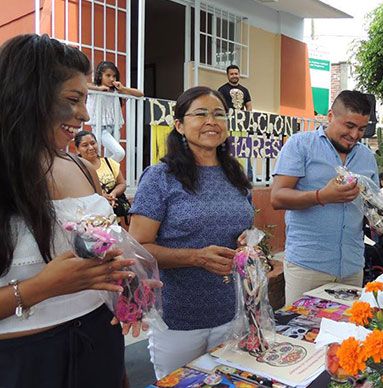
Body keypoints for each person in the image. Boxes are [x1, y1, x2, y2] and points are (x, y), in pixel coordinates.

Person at [0, 34, 140, 387]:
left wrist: (129, 281)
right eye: (73, 99)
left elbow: (105, 253)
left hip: (100, 341)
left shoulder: (82, 168)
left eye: (86, 99)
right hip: (25, 362)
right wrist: (38, 289)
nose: (85, 114)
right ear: (28, 96)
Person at [128, 86, 253, 379]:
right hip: (178, 317)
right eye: (201, 114)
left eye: (219, 114)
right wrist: (196, 257)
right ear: (180, 125)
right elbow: (137, 247)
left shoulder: (236, 173)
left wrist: (249, 239)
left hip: (232, 311)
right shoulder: (160, 177)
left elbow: (246, 224)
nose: (212, 121)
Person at [271, 90, 378, 305]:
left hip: (352, 265)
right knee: (302, 335)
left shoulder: (367, 157)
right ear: (330, 116)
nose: (355, 135)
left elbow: (370, 203)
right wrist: (322, 196)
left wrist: (378, 216)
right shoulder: (300, 145)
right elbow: (277, 197)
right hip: (308, 266)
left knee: (346, 334)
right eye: (349, 126)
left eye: (362, 129)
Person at [86, 61, 143, 162]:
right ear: (100, 76)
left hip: (115, 127)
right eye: (108, 75)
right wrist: (98, 88)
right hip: (100, 128)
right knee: (119, 153)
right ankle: (102, 169)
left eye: (114, 76)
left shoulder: (116, 91)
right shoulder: (94, 89)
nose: (111, 79)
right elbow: (83, 85)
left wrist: (123, 88)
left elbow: (140, 93)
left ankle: (106, 176)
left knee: (111, 156)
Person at [74, 130, 129, 220]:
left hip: (112, 218)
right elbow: (75, 191)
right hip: (88, 220)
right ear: (77, 149)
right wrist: (100, 198)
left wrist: (113, 194)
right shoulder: (76, 168)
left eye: (93, 143)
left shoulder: (109, 163)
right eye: (85, 145)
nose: (91, 147)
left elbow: (121, 184)